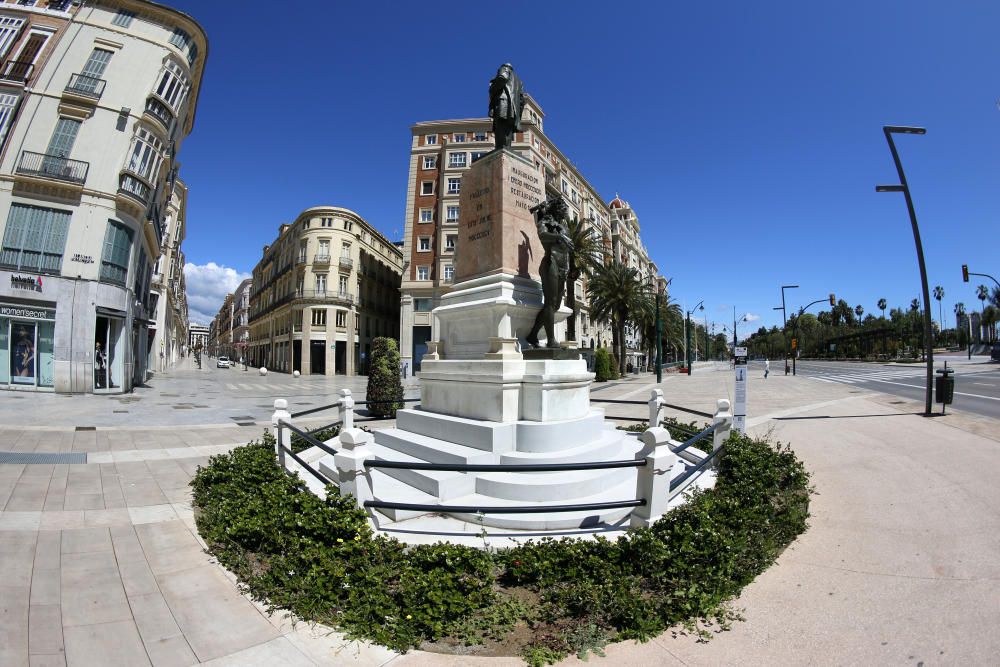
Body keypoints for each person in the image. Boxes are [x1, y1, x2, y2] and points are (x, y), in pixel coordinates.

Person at [526, 196, 573, 349]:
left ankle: (533, 335)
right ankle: (551, 340)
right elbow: (542, 235)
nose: (565, 212)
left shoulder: (564, 227)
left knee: (556, 305)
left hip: (563, 266)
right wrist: (559, 236)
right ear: (556, 210)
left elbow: (568, 249)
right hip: (550, 263)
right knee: (550, 303)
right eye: (563, 209)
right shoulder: (546, 222)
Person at [488, 63, 524, 151]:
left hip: (502, 103)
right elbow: (522, 100)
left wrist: (492, 89)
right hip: (513, 109)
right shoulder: (519, 81)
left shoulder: (504, 69)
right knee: (508, 131)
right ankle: (506, 149)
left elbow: (501, 79)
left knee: (500, 127)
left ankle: (500, 150)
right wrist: (518, 114)